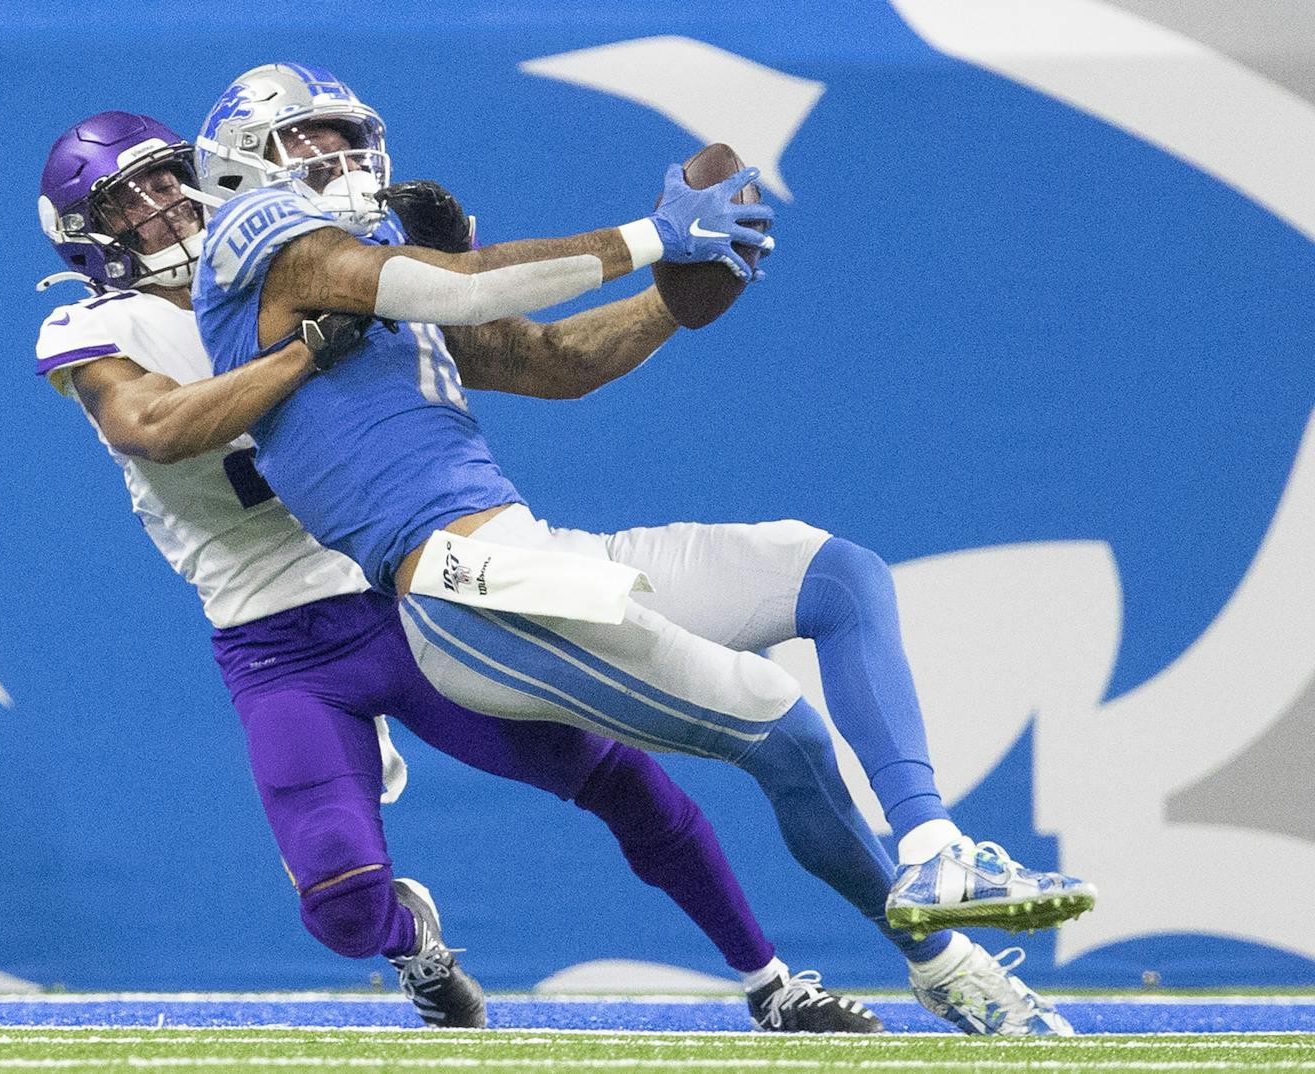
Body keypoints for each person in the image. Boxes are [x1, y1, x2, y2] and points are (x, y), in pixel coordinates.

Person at [189, 62, 1095, 1034]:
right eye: (308, 140)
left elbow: (553, 363)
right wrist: (654, 236)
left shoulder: (359, 280)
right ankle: (941, 960)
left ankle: (934, 850)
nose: (339, 156)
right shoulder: (253, 244)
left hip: (523, 558)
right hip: (463, 591)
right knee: (778, 727)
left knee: (834, 575)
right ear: (240, 167)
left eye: (344, 134)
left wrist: (682, 289)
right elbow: (446, 288)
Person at [35, 109, 892, 1035]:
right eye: (131, 198)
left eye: (168, 180)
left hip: (403, 593)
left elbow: (544, 358)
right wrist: (307, 350)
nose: (162, 207)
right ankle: (414, 945)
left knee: (619, 776)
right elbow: (158, 430)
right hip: (276, 642)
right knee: (341, 907)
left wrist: (672, 298)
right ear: (87, 235)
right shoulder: (95, 326)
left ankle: (771, 981)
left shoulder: (311, 258)